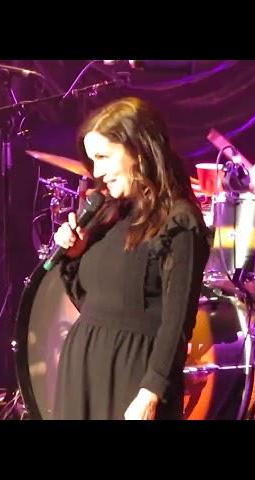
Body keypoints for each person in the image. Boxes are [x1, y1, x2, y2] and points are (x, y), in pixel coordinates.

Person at [52, 97, 211, 420]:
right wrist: (73, 255)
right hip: (84, 368)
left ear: (137, 150)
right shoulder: (109, 214)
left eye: (103, 157)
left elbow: (177, 322)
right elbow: (89, 299)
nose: (96, 171)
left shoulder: (179, 221)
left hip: (132, 375)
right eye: (91, 159)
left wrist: (151, 391)